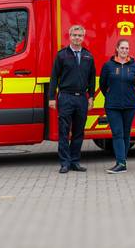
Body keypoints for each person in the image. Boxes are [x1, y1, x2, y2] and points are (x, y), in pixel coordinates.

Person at [48, 25, 96, 174]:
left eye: (80, 35)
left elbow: (92, 78)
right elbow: (54, 77)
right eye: (74, 35)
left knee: (78, 132)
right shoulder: (62, 55)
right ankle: (65, 163)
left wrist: (91, 97)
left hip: (81, 98)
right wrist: (51, 98)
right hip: (66, 97)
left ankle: (75, 161)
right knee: (64, 131)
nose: (77, 38)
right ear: (69, 36)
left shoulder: (88, 56)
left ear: (83, 37)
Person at [99, 39, 135, 174]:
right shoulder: (108, 66)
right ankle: (121, 163)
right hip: (112, 106)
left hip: (130, 105)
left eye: (127, 48)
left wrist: (128, 95)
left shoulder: (134, 66)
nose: (124, 51)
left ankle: (122, 161)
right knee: (117, 133)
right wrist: (112, 95)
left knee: (126, 133)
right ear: (117, 49)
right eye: (122, 48)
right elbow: (103, 85)